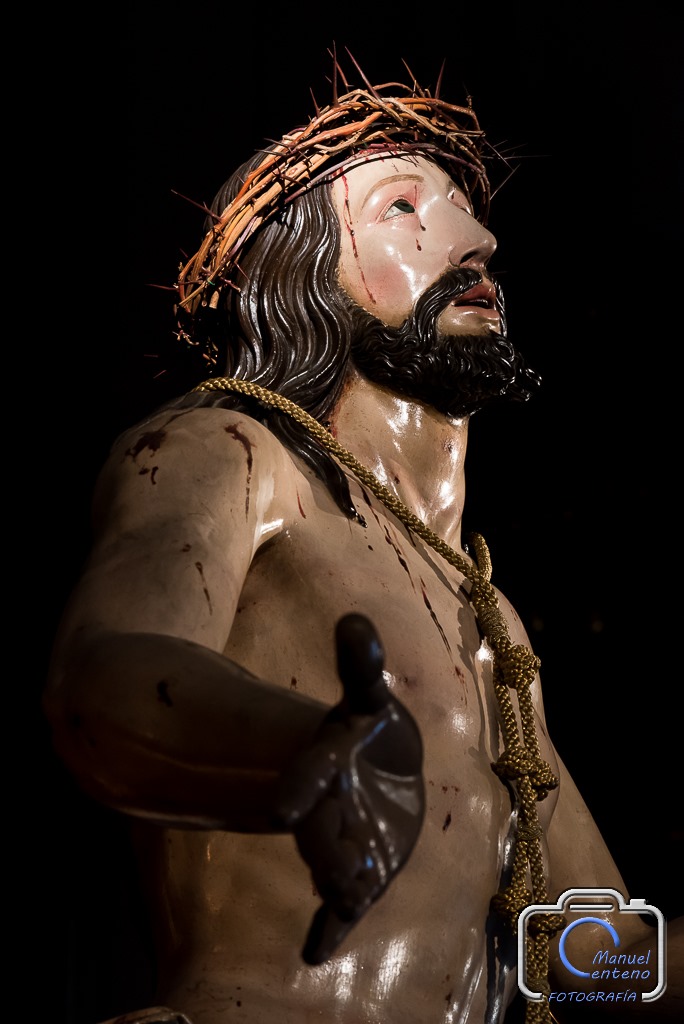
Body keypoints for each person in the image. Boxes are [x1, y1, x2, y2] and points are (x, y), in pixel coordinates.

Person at [44, 55, 682, 1024]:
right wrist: (301, 751)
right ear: (303, 272)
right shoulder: (234, 452)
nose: (479, 239)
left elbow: (569, 949)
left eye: (468, 209)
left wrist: (673, 969)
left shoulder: (492, 619)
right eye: (402, 208)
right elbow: (100, 687)